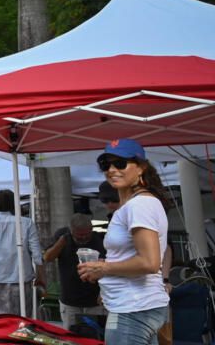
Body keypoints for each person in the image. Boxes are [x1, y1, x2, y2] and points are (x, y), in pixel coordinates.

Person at [78, 138, 171, 345]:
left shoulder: (140, 205)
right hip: (136, 306)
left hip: (133, 309)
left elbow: (149, 262)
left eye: (120, 163)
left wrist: (104, 269)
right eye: (106, 165)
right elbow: (133, 256)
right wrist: (101, 268)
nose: (112, 169)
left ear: (141, 168)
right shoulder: (134, 205)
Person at [0, 189, 45, 318]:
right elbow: (37, 254)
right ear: (14, 204)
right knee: (22, 318)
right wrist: (40, 276)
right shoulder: (26, 223)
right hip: (21, 277)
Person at [44, 213, 107, 330]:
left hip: (95, 300)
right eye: (78, 236)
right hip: (70, 300)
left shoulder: (100, 240)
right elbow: (48, 258)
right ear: (71, 231)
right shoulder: (62, 236)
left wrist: (103, 292)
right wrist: (61, 242)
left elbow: (108, 268)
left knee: (96, 336)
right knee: (70, 336)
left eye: (86, 235)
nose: (83, 238)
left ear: (91, 229)